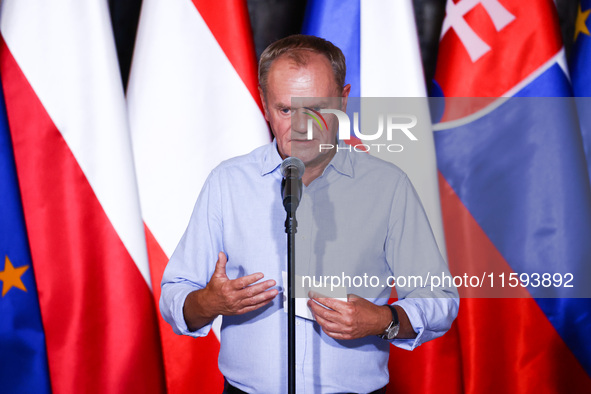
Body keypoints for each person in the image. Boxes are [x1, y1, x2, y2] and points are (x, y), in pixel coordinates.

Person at [160, 34, 459, 393]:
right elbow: (175, 295)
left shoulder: (388, 186)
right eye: (286, 110)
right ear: (265, 105)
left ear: (343, 101)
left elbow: (439, 300)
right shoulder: (228, 182)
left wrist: (384, 319)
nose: (301, 127)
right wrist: (208, 303)